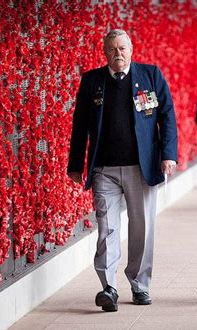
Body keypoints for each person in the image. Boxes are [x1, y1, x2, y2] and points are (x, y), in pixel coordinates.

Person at [67, 29, 177, 312]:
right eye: (113, 49)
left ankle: (140, 285)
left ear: (132, 49)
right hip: (104, 169)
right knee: (107, 228)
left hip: (141, 167)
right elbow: (80, 123)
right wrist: (75, 163)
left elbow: (167, 116)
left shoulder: (151, 76)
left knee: (141, 228)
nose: (118, 53)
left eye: (123, 48)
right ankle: (109, 287)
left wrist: (168, 155)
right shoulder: (93, 81)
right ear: (105, 53)